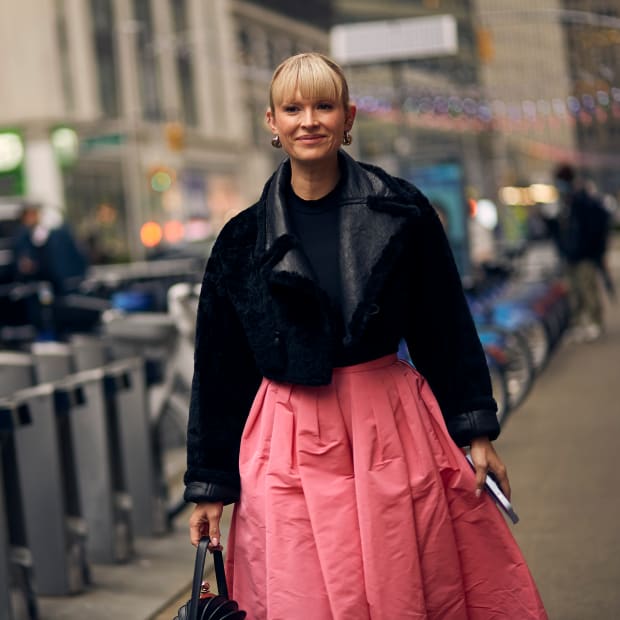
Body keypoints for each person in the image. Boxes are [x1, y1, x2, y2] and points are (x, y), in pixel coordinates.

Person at [184, 53, 547, 619]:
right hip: (288, 443)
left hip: (389, 428)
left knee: (403, 584)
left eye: (324, 105)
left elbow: (444, 325)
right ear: (271, 123)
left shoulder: (402, 211)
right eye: (293, 108)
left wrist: (476, 430)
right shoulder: (241, 238)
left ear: (348, 117)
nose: (309, 120)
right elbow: (219, 367)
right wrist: (209, 484)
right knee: (300, 597)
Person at [551, 164, 611, 341]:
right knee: (575, 290)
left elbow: (595, 224)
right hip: (572, 255)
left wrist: (595, 250)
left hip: (584, 255)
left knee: (588, 288)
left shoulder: (581, 199)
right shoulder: (568, 201)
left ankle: (595, 322)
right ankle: (582, 322)